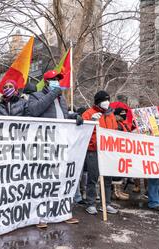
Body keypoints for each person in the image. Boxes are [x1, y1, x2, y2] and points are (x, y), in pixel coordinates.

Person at [27, 70, 83, 227]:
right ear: (46, 82)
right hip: (45, 145)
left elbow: (62, 116)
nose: (57, 82)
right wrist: (52, 94)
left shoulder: (61, 99)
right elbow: (34, 111)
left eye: (58, 79)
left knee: (61, 180)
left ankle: (62, 212)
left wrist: (73, 117)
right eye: (53, 80)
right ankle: (40, 216)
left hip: (61, 145)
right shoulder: (36, 95)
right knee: (43, 181)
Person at [82, 90, 119, 215]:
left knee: (107, 179)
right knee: (93, 178)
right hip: (93, 151)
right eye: (104, 100)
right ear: (98, 102)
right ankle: (91, 203)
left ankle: (106, 203)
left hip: (108, 151)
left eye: (108, 100)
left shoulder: (111, 115)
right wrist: (91, 122)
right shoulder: (88, 113)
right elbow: (82, 131)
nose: (107, 103)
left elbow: (115, 131)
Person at [111, 108, 131, 201]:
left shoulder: (123, 123)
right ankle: (115, 192)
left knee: (120, 171)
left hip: (123, 150)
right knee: (116, 172)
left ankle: (119, 190)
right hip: (117, 151)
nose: (124, 115)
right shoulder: (116, 124)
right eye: (122, 113)